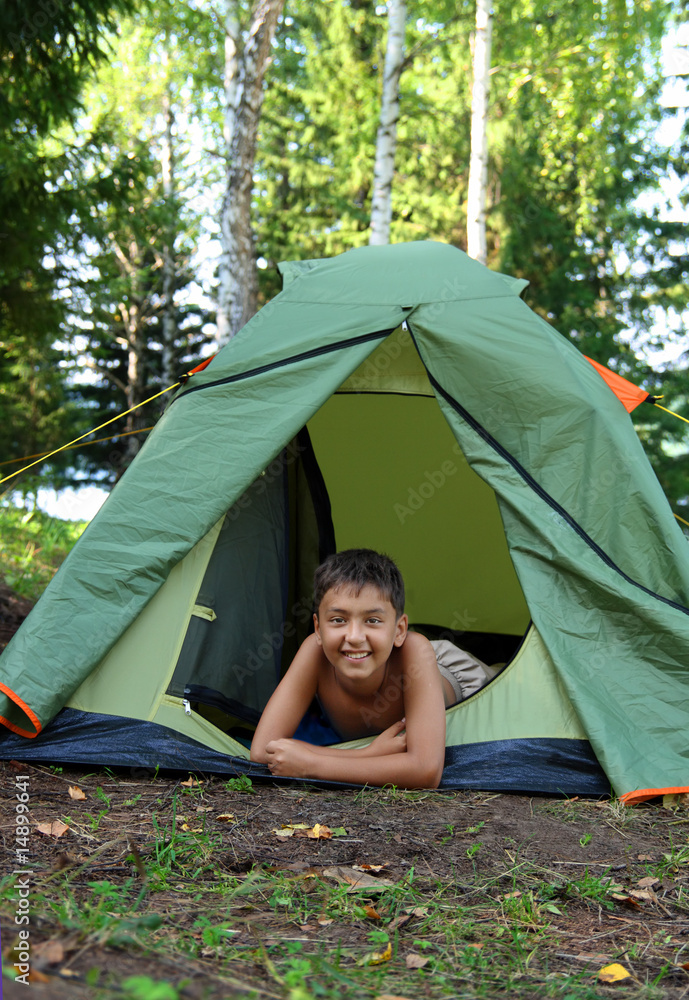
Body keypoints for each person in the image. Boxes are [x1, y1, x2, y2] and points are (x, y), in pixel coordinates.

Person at [251, 549, 494, 790]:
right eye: (338, 619)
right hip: (388, 654)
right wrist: (369, 753)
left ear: (399, 630)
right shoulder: (314, 652)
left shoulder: (414, 650)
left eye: (372, 620)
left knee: (510, 681)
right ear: (318, 628)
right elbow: (262, 751)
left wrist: (313, 765)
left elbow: (426, 770)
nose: (355, 636)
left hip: (452, 674)